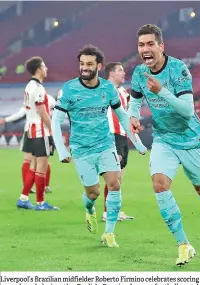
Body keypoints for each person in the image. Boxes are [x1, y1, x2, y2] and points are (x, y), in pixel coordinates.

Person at [129, 24, 200, 266]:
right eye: (141, 45)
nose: (145, 49)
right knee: (159, 185)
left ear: (161, 46)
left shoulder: (178, 69)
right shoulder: (139, 73)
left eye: (150, 44)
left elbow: (187, 110)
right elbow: (135, 101)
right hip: (164, 139)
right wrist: (132, 116)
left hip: (192, 139)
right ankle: (183, 244)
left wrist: (162, 90)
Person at [52, 45, 146, 247]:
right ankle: (89, 209)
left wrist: (137, 143)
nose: (84, 68)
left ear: (98, 65)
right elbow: (55, 121)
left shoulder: (107, 88)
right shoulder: (69, 89)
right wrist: (62, 150)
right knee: (93, 192)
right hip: (81, 149)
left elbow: (122, 116)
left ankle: (109, 233)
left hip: (105, 145)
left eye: (89, 64)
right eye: (82, 64)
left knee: (115, 183)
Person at [16, 56, 58, 210]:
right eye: (45, 66)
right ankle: (40, 203)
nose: (46, 69)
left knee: (33, 166)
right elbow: (42, 111)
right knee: (41, 166)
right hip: (41, 131)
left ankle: (24, 198)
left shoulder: (29, 86)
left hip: (31, 131)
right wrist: (52, 130)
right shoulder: (38, 88)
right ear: (39, 69)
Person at [0, 95, 56, 193]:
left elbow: (21, 113)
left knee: (28, 160)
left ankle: (27, 188)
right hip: (44, 131)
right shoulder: (50, 98)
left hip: (30, 130)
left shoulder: (30, 97)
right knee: (44, 161)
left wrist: (5, 119)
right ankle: (45, 186)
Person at [103, 62, 133, 222]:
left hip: (122, 136)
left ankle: (115, 210)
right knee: (113, 177)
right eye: (120, 70)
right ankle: (108, 212)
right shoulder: (104, 89)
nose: (123, 72)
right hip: (111, 135)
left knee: (120, 176)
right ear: (111, 73)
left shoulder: (123, 92)